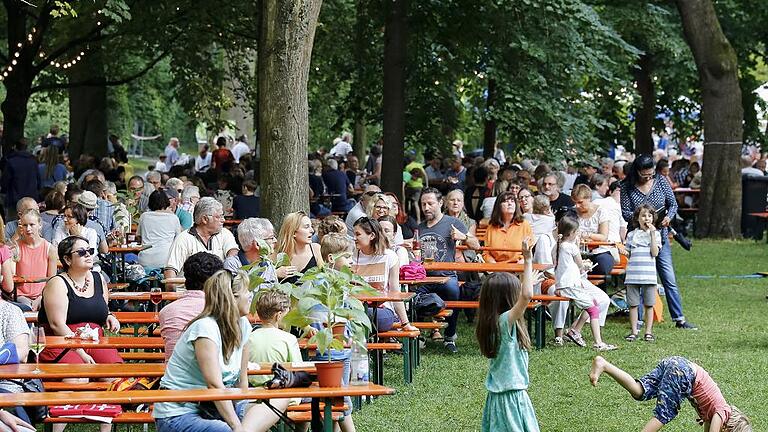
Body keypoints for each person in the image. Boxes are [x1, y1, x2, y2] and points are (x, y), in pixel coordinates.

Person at [153, 270, 286, 432]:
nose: (250, 296)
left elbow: (241, 383)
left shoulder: (243, 325)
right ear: (233, 298)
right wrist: (236, 425)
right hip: (180, 412)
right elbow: (214, 385)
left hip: (220, 406)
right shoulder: (205, 328)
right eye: (246, 291)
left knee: (280, 400)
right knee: (226, 430)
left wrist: (246, 414)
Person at [621, 153, 697, 330]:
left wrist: (668, 218)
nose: (648, 177)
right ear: (637, 171)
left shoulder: (661, 181)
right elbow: (625, 212)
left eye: (651, 173)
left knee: (668, 278)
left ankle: (679, 318)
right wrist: (642, 219)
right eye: (645, 174)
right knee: (639, 279)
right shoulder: (627, 187)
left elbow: (673, 204)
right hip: (639, 239)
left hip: (660, 236)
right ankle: (638, 321)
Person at [589, 356, 752, 432]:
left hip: (676, 364)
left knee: (640, 391)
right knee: (665, 413)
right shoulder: (722, 412)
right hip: (684, 372)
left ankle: (604, 365)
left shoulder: (713, 415)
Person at [476, 240, 539, 432]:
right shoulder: (505, 322)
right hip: (511, 397)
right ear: (509, 298)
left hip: (497, 398)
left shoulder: (490, 322)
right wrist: (527, 260)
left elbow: (524, 293)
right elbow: (527, 295)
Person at [417, 188, 480, 353]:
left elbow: (477, 246)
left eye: (430, 203)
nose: (426, 207)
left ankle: (450, 336)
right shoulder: (420, 227)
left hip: (447, 275)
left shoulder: (453, 222)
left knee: (453, 291)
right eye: (423, 204)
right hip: (423, 277)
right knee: (413, 297)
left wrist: (464, 237)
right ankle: (419, 335)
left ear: (440, 203)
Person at [554, 217, 615, 351]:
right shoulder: (571, 247)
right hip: (569, 285)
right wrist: (587, 266)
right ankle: (598, 342)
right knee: (593, 308)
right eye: (577, 231)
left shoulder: (557, 246)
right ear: (571, 233)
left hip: (562, 284)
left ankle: (574, 331)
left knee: (593, 302)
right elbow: (581, 265)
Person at [352, 217, 417, 333]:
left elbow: (395, 293)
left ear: (371, 236)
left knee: (360, 316)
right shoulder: (351, 257)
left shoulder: (390, 257)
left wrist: (405, 323)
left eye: (358, 234)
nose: (354, 238)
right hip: (356, 308)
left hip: (381, 311)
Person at [159, 252, 224, 359]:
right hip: (214, 372)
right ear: (216, 281)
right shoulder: (222, 310)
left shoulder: (166, 311)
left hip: (174, 373)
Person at [246, 288, 302, 400]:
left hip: (253, 395)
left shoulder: (248, 338)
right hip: (283, 396)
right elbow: (299, 371)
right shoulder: (289, 339)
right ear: (279, 315)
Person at [164, 197, 239, 278]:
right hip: (189, 289)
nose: (223, 220)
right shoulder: (183, 239)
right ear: (205, 219)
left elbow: (233, 252)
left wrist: (231, 260)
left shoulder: (224, 233)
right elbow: (170, 273)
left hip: (217, 288)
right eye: (219, 216)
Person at [623, 204, 661, 342]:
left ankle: (648, 332)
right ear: (637, 219)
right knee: (633, 304)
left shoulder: (656, 234)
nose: (646, 218)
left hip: (649, 276)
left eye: (649, 216)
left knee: (649, 304)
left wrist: (652, 234)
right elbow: (628, 252)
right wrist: (622, 251)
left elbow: (655, 252)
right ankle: (634, 331)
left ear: (653, 218)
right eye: (643, 216)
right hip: (632, 275)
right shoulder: (632, 235)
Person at [9, 209, 58, 310]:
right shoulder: (16, 247)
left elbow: (51, 280)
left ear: (40, 225)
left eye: (32, 224)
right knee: (25, 307)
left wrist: (41, 297)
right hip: (20, 295)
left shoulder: (49, 249)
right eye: (25, 225)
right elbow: (11, 276)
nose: (28, 229)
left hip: (42, 295)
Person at [571, 184, 617, 277]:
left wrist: (585, 235)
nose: (577, 205)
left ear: (589, 198)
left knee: (601, 266)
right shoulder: (572, 212)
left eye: (580, 202)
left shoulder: (601, 211)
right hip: (577, 251)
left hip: (599, 251)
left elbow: (603, 236)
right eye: (575, 202)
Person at [137, 190, 182, 271]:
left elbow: (139, 237)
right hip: (166, 260)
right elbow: (178, 239)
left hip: (145, 260)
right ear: (166, 202)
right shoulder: (173, 218)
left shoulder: (144, 216)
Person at [275, 211, 324, 285]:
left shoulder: (316, 249)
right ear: (294, 232)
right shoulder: (278, 254)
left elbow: (324, 277)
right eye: (306, 227)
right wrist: (275, 273)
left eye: (311, 226)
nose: (312, 231)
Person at [484, 191, 533, 263]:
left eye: (512, 201)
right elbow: (486, 253)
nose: (510, 203)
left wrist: (520, 264)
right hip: (496, 269)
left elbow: (529, 251)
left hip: (518, 269)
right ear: (499, 206)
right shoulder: (491, 227)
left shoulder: (524, 225)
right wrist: (495, 268)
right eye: (506, 201)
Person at [1, 139, 40, 220]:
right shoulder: (33, 161)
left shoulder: (11, 161)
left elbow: (5, 182)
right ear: (26, 147)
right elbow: (38, 180)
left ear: (15, 147)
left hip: (14, 199)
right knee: (30, 224)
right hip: (31, 198)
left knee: (13, 225)